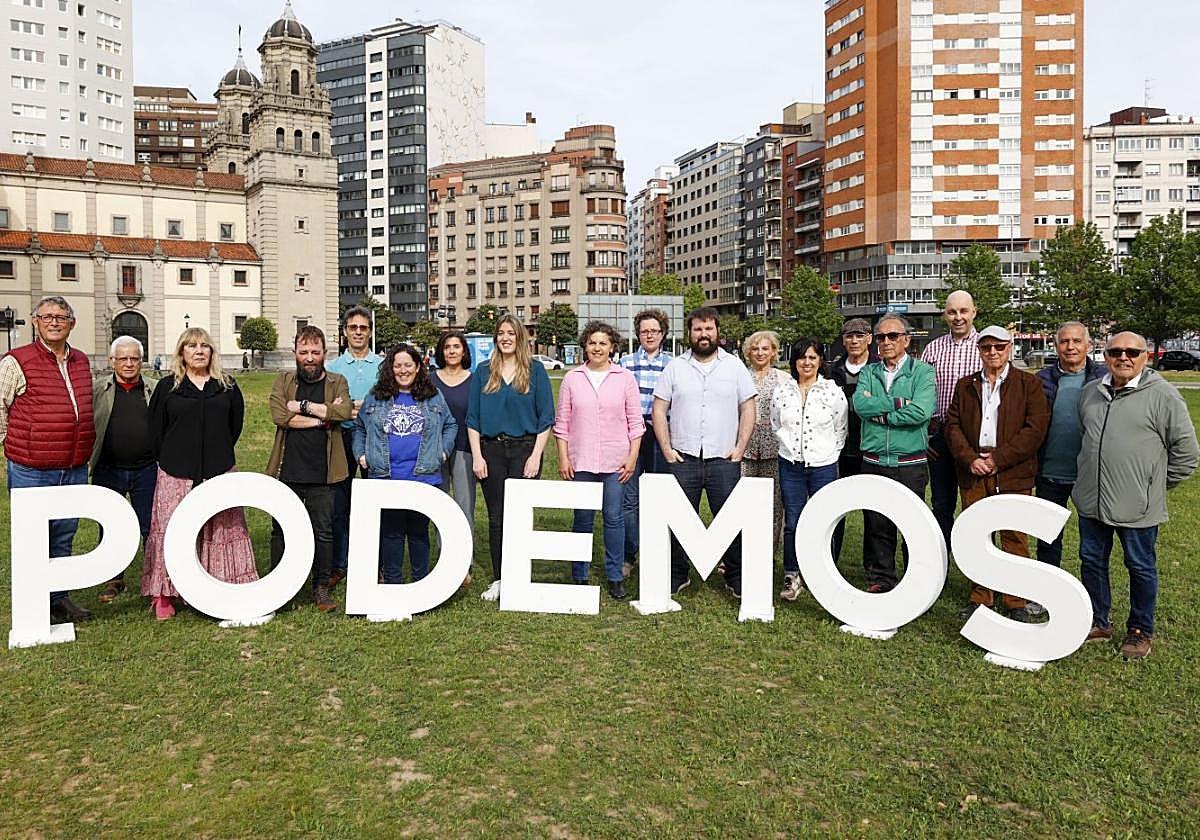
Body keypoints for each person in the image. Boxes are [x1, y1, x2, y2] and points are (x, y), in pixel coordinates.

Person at [1073, 331, 1198, 659]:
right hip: (1092, 502)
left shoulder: (1164, 396)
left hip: (1138, 507)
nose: (1123, 357)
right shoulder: (1090, 393)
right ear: (1106, 355)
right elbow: (1086, 438)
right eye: (1116, 351)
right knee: (1092, 561)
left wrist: (1152, 486)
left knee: (1140, 566)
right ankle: (1098, 620)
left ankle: (1140, 630)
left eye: (1132, 351)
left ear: (1145, 356)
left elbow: (1186, 453)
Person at [142, 328, 259, 620]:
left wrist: (215, 453)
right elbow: (155, 430)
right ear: (181, 352)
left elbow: (235, 426)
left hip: (218, 469)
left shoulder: (228, 387)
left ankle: (223, 581)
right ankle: (165, 593)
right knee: (171, 529)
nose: (198, 350)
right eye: (192, 346)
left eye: (204, 345)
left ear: (212, 352)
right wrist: (172, 458)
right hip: (175, 472)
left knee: (221, 528)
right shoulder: (167, 387)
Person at [0, 295, 96, 623]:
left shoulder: (82, 361)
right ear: (36, 322)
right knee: (33, 537)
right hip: (32, 468)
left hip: (73, 466)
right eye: (47, 317)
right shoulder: (17, 360)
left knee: (65, 533)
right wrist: (11, 444)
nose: (54, 322)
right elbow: (1, 405)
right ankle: (32, 602)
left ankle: (58, 599)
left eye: (61, 317)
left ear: (72, 323)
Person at [945, 326, 1050, 622]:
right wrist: (970, 459)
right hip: (974, 470)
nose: (993, 352)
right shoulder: (965, 385)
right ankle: (981, 597)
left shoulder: (1028, 384)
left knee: (1014, 535)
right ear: (979, 350)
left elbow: (1035, 429)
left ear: (1010, 348)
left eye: (999, 347)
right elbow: (952, 426)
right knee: (977, 536)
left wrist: (998, 459)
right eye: (987, 347)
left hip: (1012, 470)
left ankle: (1015, 600)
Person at [652, 307, 756, 597]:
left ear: (717, 332)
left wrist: (740, 448)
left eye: (708, 328)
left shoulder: (735, 367)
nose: (703, 334)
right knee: (679, 519)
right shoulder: (675, 367)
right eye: (698, 329)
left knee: (731, 520)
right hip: (683, 458)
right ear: (689, 333)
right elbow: (659, 409)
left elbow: (748, 407)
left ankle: (736, 576)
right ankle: (677, 574)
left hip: (724, 459)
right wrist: (667, 449)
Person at [467, 315, 555, 602]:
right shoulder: (482, 372)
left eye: (511, 333)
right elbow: (473, 419)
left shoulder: (535, 370)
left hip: (525, 450)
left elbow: (546, 418)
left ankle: (521, 574)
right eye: (500, 333)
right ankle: (500, 577)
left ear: (519, 338)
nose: (505, 338)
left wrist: (536, 456)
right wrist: (477, 456)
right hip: (491, 451)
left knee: (520, 516)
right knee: (497, 517)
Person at [354, 344, 457, 585]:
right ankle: (393, 582)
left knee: (419, 532)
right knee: (392, 533)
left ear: (418, 366)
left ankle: (421, 582)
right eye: (397, 365)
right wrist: (360, 454)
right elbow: (359, 426)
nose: (402, 370)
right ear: (390, 368)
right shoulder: (376, 395)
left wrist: (443, 451)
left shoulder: (433, 395)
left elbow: (451, 425)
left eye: (408, 365)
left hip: (423, 476)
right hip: (385, 476)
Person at [554, 321, 643, 599]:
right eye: (592, 342)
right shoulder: (573, 378)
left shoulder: (625, 378)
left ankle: (615, 575)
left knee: (614, 518)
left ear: (612, 347)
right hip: (580, 461)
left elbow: (635, 423)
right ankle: (578, 574)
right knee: (582, 518)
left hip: (616, 462)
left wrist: (632, 458)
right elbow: (562, 422)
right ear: (585, 346)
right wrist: (563, 457)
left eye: (603, 343)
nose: (597, 348)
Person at [266, 326, 352, 612]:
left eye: (315, 352)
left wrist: (301, 407)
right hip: (287, 470)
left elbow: (343, 411)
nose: (310, 358)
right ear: (295, 354)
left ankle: (321, 588)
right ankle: (281, 588)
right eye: (304, 352)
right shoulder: (283, 380)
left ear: (325, 354)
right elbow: (280, 415)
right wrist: (321, 417)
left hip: (324, 472)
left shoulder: (337, 381)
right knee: (281, 531)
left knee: (323, 531)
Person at [1025, 321, 1105, 616]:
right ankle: (1044, 596)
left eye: (1076, 341)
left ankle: (1095, 607)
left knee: (1093, 547)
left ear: (1088, 345)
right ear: (1055, 345)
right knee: (1048, 539)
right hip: (1049, 472)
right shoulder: (1042, 379)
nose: (1070, 347)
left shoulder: (1104, 378)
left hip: (1090, 476)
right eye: (1064, 342)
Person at [853, 316, 936, 593]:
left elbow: (921, 412)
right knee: (878, 524)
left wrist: (881, 415)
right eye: (881, 337)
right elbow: (860, 407)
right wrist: (899, 403)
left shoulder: (922, 372)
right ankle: (882, 579)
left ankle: (916, 580)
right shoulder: (869, 371)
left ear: (906, 340)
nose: (886, 342)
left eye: (892, 336)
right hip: (874, 461)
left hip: (909, 462)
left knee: (912, 526)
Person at [772, 337, 847, 601]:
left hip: (823, 465)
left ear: (820, 361)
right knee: (793, 521)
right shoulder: (783, 391)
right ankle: (792, 575)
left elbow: (841, 428)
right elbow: (775, 422)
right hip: (790, 465)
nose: (807, 362)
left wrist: (827, 454)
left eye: (812, 357)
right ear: (794, 361)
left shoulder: (831, 391)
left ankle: (825, 573)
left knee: (826, 520)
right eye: (802, 357)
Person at [90, 336, 158, 604]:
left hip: (148, 469)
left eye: (134, 358)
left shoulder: (155, 389)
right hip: (109, 469)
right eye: (123, 359)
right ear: (112, 361)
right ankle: (113, 578)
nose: (129, 364)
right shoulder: (98, 389)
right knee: (110, 527)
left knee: (151, 526)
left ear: (141, 361)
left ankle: (154, 577)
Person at [326, 307, 383, 588]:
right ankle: (340, 564)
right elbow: (326, 404)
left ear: (370, 331)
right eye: (353, 327)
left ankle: (378, 564)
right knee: (340, 504)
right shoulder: (333, 368)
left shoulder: (381, 365)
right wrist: (343, 411)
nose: (358, 332)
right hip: (341, 438)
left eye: (363, 327)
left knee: (376, 504)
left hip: (375, 441)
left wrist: (369, 410)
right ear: (345, 332)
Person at [920, 290, 981, 551]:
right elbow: (919, 394)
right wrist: (924, 435)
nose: (958, 317)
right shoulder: (933, 348)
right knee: (942, 505)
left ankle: (976, 569)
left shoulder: (986, 347)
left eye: (963, 311)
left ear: (974, 312)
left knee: (975, 506)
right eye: (952, 312)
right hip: (940, 436)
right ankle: (940, 562)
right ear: (945, 315)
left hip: (973, 438)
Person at [618, 308, 672, 577]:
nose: (649, 335)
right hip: (632, 436)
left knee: (660, 495)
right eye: (644, 331)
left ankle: (658, 551)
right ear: (638, 334)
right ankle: (629, 554)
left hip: (662, 436)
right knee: (630, 498)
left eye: (654, 331)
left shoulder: (674, 364)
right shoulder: (625, 364)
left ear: (663, 334)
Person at [829, 317, 877, 565]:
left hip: (870, 450)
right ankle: (830, 562)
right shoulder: (831, 371)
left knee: (873, 513)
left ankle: (873, 568)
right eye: (849, 336)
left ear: (869, 338)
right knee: (835, 511)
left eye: (860, 335)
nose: (854, 340)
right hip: (838, 452)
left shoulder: (879, 370)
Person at [431, 331, 476, 587]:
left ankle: (464, 562)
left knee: (464, 505)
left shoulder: (475, 380)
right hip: (435, 452)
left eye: (456, 347)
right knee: (440, 505)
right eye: (447, 347)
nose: (451, 351)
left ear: (463, 351)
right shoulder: (429, 380)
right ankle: (444, 558)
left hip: (464, 450)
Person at [741, 330, 786, 550]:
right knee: (742, 502)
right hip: (745, 450)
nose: (760, 353)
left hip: (774, 450)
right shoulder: (740, 376)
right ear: (748, 352)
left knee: (774, 504)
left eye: (765, 348)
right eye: (755, 349)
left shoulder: (783, 379)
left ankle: (767, 550)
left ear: (774, 352)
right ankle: (740, 552)